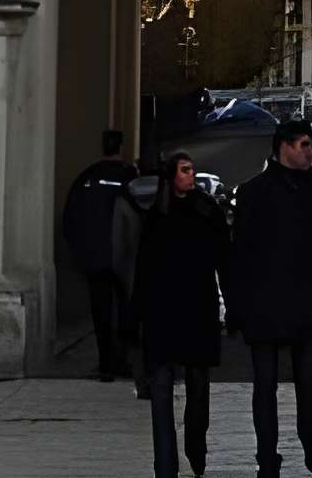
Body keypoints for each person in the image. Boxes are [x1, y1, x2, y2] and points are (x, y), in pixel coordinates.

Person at [228, 117, 312, 478]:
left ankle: (309, 440)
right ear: (284, 146)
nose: (311, 152)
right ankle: (267, 455)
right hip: (264, 303)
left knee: (310, 385)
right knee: (265, 386)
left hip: (304, 302)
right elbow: (239, 253)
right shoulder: (254, 193)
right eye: (304, 144)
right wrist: (237, 305)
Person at [133, 151, 229, 478]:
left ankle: (195, 447)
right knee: (161, 391)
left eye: (192, 170)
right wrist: (136, 316)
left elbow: (223, 258)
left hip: (197, 310)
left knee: (198, 390)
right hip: (163, 312)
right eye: (185, 170)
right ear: (171, 175)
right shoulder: (157, 216)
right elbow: (143, 269)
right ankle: (165, 465)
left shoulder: (206, 209)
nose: (191, 175)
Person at [62, 128, 140, 381]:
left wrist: (79, 251)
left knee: (101, 311)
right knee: (126, 309)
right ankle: (123, 360)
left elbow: (70, 217)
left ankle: (106, 362)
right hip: (123, 257)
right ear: (121, 147)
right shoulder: (129, 176)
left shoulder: (86, 177)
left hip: (93, 256)